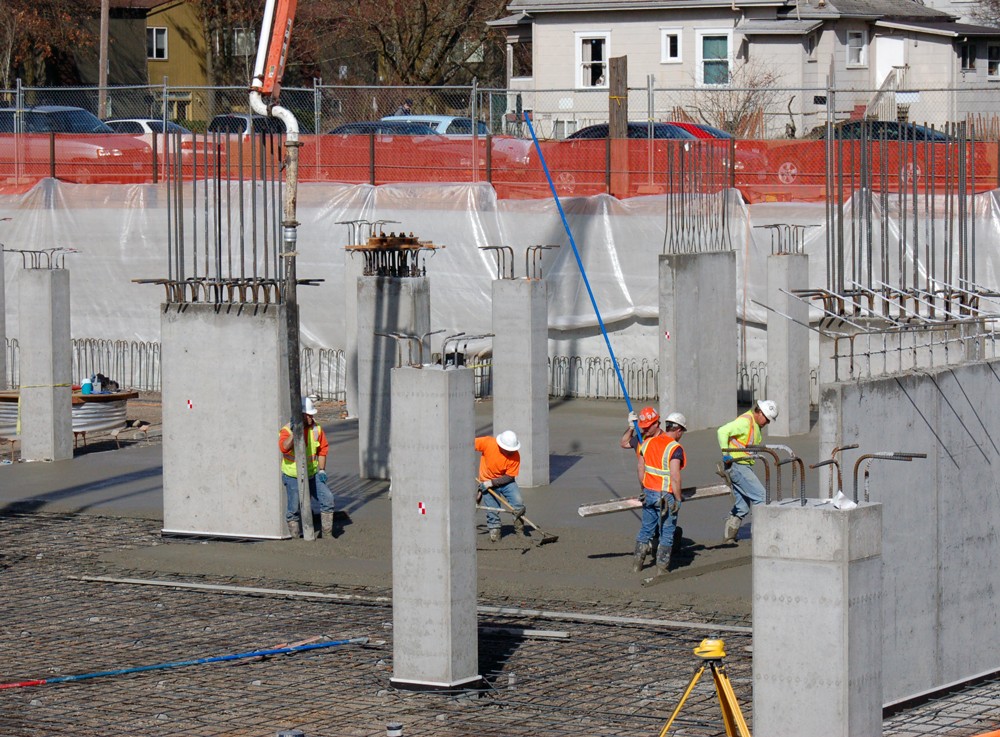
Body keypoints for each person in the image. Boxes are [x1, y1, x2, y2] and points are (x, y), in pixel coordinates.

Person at [621, 407, 687, 577]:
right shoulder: (674, 448)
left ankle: (637, 564)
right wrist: (678, 499)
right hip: (666, 496)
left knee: (646, 530)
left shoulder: (647, 443)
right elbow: (675, 476)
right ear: (679, 430)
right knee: (667, 532)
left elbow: (640, 468)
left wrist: (643, 488)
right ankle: (662, 568)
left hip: (649, 493)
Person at [716, 399, 779, 543]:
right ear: (760, 412)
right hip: (738, 466)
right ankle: (761, 536)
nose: (767, 423)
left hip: (740, 466)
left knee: (742, 506)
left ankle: (728, 537)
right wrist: (726, 453)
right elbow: (722, 431)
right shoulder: (745, 422)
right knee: (762, 497)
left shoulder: (754, 424)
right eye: (767, 419)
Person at [279, 396, 335, 538]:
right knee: (294, 508)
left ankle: (327, 535)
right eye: (309, 415)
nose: (312, 418)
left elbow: (322, 450)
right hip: (292, 476)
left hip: (312, 474)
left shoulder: (317, 430)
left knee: (327, 498)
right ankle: (296, 538)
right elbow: (284, 448)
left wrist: (321, 470)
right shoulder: (286, 430)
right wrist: (295, 431)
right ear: (301, 415)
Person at [475, 430, 524, 542]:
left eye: (512, 450)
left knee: (518, 504)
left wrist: (491, 483)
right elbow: (467, 445)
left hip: (506, 482)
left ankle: (520, 531)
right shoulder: (488, 443)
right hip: (487, 482)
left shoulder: (515, 456)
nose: (510, 452)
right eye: (508, 450)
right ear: (500, 446)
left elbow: (509, 477)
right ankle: (495, 534)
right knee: (492, 509)